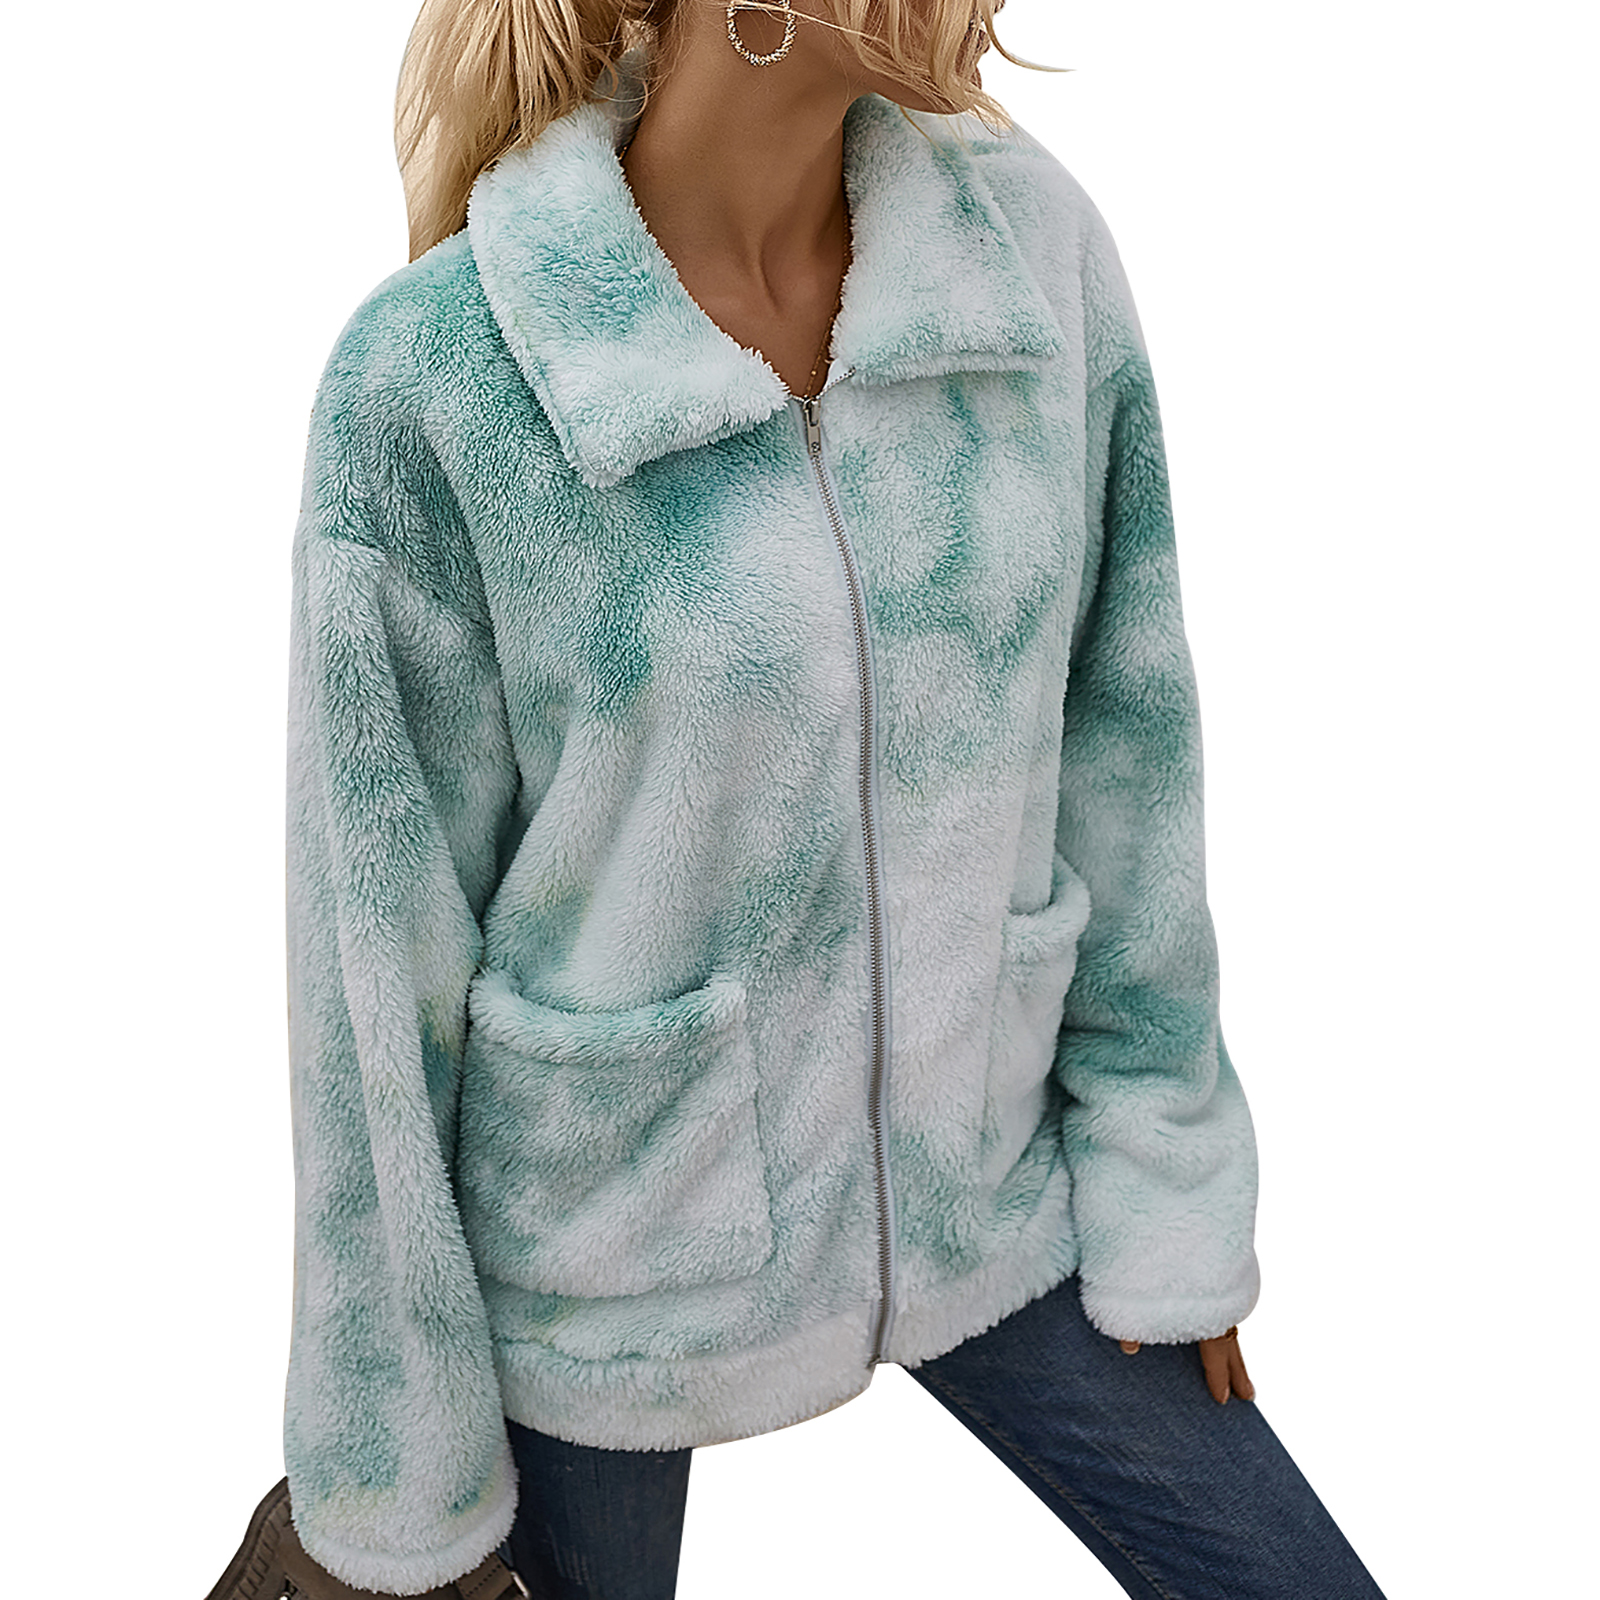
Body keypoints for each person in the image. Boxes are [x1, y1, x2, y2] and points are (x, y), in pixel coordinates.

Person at [279, 1, 1386, 1595]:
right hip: (604, 1281)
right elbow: (370, 982)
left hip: (985, 1182)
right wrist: (401, 1466)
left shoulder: (1033, 268)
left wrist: (1167, 1193)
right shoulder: (440, 377)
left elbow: (1128, 750)